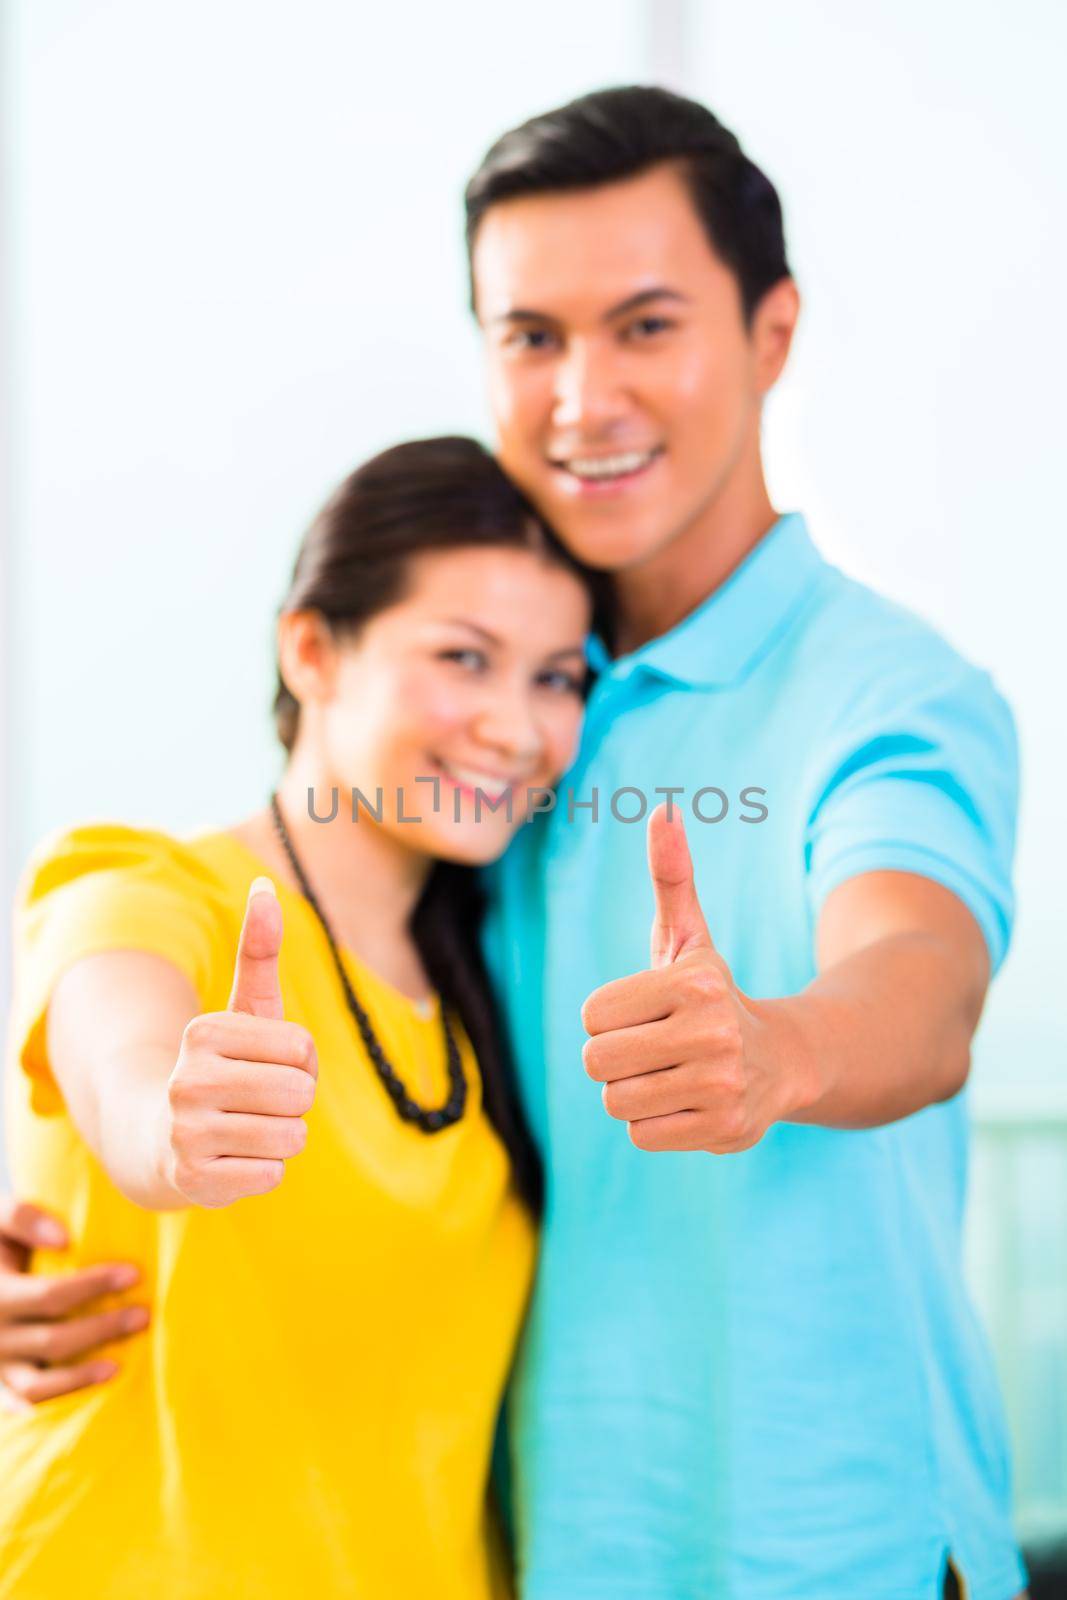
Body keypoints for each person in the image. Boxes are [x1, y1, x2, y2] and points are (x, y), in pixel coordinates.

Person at [1, 85, 1028, 1600]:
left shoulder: (882, 692)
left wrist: (779, 1047)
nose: (577, 395)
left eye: (644, 326)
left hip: (832, 1549)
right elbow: (146, 1025)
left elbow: (917, 976)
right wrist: (108, 1172)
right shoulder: (531, 737)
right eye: (529, 335)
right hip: (556, 1552)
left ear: (771, 336)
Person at [0, 436, 593, 1597]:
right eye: (463, 657)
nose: (515, 727)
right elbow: (128, 1068)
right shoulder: (143, 888)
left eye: (556, 676)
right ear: (312, 649)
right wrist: (169, 1125)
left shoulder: (488, 981)